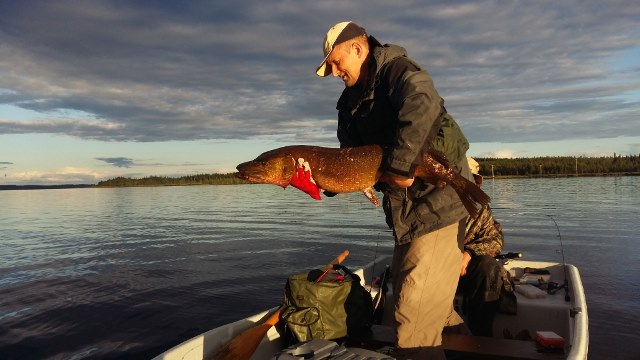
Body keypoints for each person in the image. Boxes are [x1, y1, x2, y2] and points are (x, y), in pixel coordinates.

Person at [315, 21, 475, 359]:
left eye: (335, 61)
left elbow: (423, 104)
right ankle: (469, 348)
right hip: (407, 216)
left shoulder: (399, 72)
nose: (333, 71)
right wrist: (317, 180)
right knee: (421, 300)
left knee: (412, 318)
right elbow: (349, 164)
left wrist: (402, 165)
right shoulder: (349, 105)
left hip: (438, 202)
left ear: (358, 49)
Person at [457, 158, 515, 337]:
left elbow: (495, 238)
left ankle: (481, 337)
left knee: (488, 266)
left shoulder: (481, 209)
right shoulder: (433, 206)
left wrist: (469, 253)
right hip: (438, 270)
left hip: (468, 275)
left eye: (473, 180)